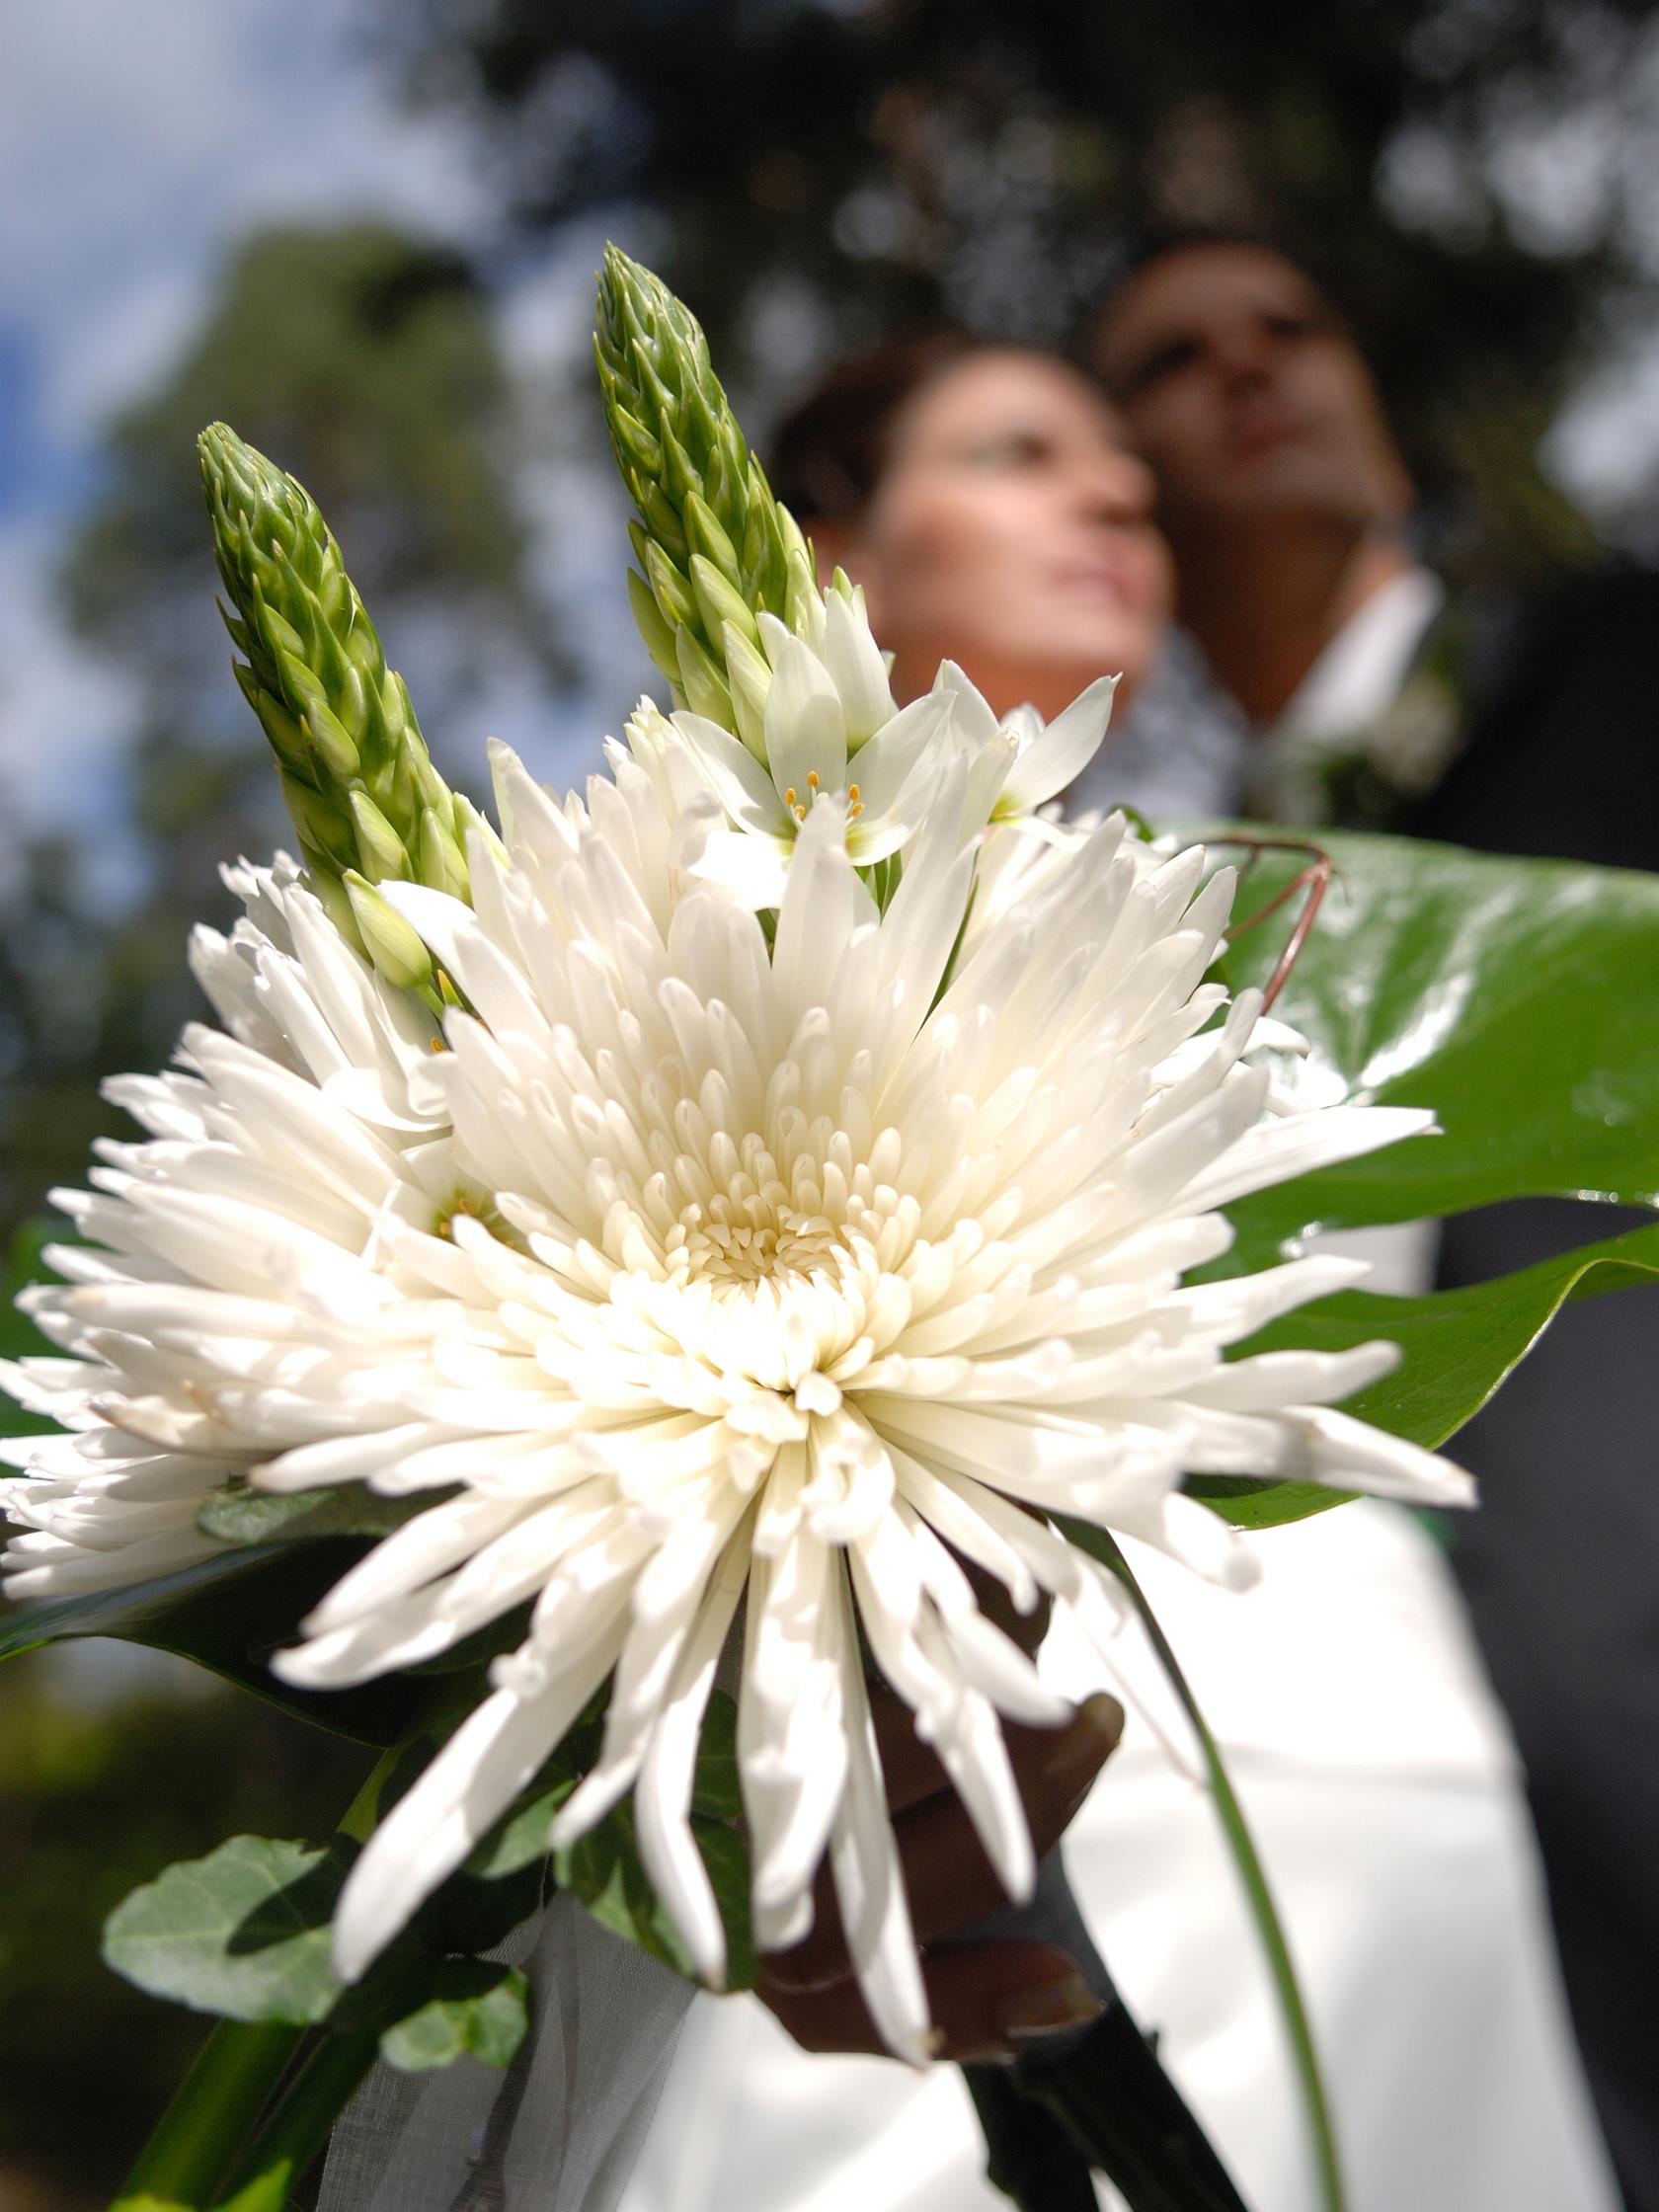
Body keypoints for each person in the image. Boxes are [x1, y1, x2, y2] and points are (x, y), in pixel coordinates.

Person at [614, 335, 1617, 2212]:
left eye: (1132, 489)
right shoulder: (653, 925)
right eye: (1019, 453)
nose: (1110, 502)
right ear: (834, 556)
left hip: (1401, 1780)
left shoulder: (1324, 903)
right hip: (947, 1768)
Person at [1092, 233, 1659, 2211]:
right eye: (1175, 359)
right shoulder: (1155, 906)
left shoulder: (1616, 656)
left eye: (1289, 326)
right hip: (1366, 1692)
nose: (1249, 367)